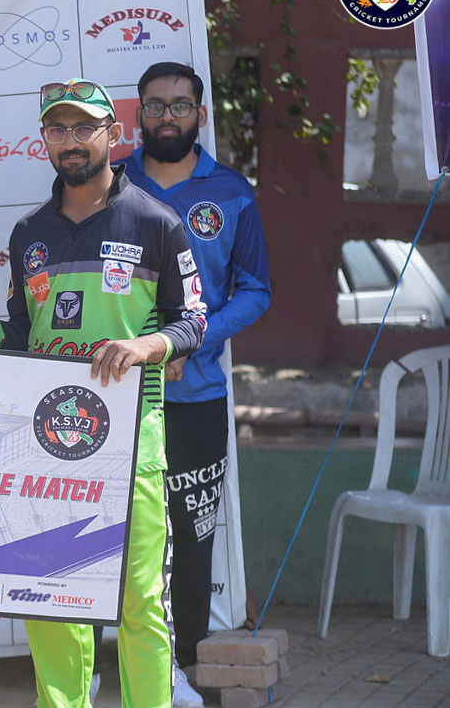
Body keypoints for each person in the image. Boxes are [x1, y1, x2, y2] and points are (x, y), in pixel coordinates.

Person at [0, 79, 207, 708]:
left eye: (85, 128)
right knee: (49, 594)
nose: (71, 141)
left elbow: (193, 320)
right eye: (58, 129)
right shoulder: (28, 233)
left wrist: (147, 346)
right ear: (44, 140)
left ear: (113, 135)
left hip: (130, 441)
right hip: (47, 444)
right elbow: (22, 335)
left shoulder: (157, 222)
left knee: (140, 601)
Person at [123, 61, 271, 707]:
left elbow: (255, 290)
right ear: (138, 114)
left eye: (180, 105)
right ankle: (103, 661)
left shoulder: (232, 191)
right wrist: (149, 347)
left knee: (190, 536)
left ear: (200, 115)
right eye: (155, 105)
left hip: (197, 394)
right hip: (119, 393)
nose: (167, 116)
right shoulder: (111, 181)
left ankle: (178, 669)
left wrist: (192, 341)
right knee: (111, 532)